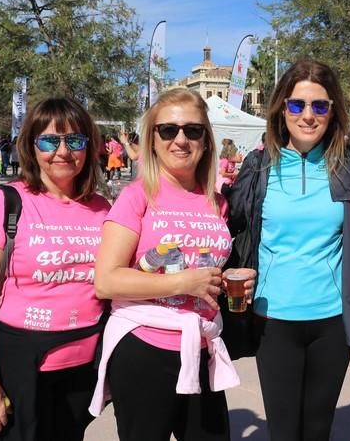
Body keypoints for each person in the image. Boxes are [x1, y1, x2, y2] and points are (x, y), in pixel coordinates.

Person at [90, 88, 254, 441]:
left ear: (206, 141)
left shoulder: (217, 202)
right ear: (152, 139)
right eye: (168, 130)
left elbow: (204, 268)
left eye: (192, 130)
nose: (181, 139)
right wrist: (183, 284)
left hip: (201, 345)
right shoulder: (137, 196)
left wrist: (227, 281)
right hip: (143, 349)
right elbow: (106, 280)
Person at [227, 59, 350, 441]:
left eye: (320, 106)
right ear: (281, 109)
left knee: (318, 428)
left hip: (332, 320)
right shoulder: (258, 167)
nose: (308, 115)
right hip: (273, 320)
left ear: (333, 111)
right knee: (284, 430)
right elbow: (226, 221)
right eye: (297, 105)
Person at [0, 97, 109, 440]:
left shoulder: (102, 208)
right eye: (49, 140)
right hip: (20, 363)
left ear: (88, 147)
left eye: (74, 140)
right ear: (31, 145)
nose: (63, 151)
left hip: (83, 364)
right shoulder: (5, 202)